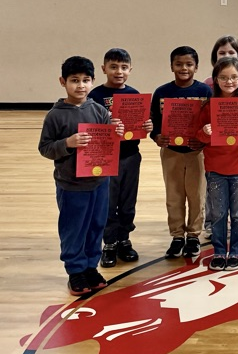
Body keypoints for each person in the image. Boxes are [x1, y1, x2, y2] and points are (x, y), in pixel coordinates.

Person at [38, 55, 124, 296]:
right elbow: (45, 148)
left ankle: (90, 266)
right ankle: (75, 270)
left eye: (86, 80)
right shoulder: (55, 115)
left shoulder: (98, 110)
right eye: (74, 80)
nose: (81, 85)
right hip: (71, 184)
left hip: (99, 182)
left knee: (96, 226)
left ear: (93, 81)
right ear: (62, 82)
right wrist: (68, 143)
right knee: (74, 228)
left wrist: (116, 132)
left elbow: (109, 143)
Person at [88, 47, 153, 268]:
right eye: (113, 67)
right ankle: (109, 243)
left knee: (127, 202)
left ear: (130, 70)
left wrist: (147, 125)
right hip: (106, 158)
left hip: (130, 156)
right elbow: (88, 127)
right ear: (104, 68)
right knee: (108, 202)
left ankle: (124, 238)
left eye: (124, 67)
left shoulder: (134, 95)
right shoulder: (95, 96)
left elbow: (142, 124)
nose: (119, 71)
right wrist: (106, 126)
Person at [197, 57, 238, 270]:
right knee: (217, 213)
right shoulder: (209, 106)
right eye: (223, 77)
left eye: (234, 77)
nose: (229, 81)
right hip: (216, 168)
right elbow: (197, 133)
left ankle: (236, 251)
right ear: (215, 79)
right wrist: (205, 133)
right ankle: (218, 251)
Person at [150, 46, 211, 261]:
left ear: (196, 67)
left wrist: (204, 139)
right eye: (179, 64)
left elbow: (212, 123)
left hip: (197, 152)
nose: (183, 68)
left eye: (189, 64)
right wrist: (157, 137)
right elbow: (154, 124)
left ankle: (193, 235)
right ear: (171, 66)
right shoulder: (161, 92)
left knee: (197, 195)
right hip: (171, 152)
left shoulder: (205, 91)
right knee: (174, 195)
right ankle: (177, 235)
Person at [202, 34, 238, 241]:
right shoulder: (207, 84)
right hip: (217, 155)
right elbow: (203, 122)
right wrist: (205, 133)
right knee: (215, 194)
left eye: (231, 52)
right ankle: (212, 224)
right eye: (221, 52)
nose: (226, 55)